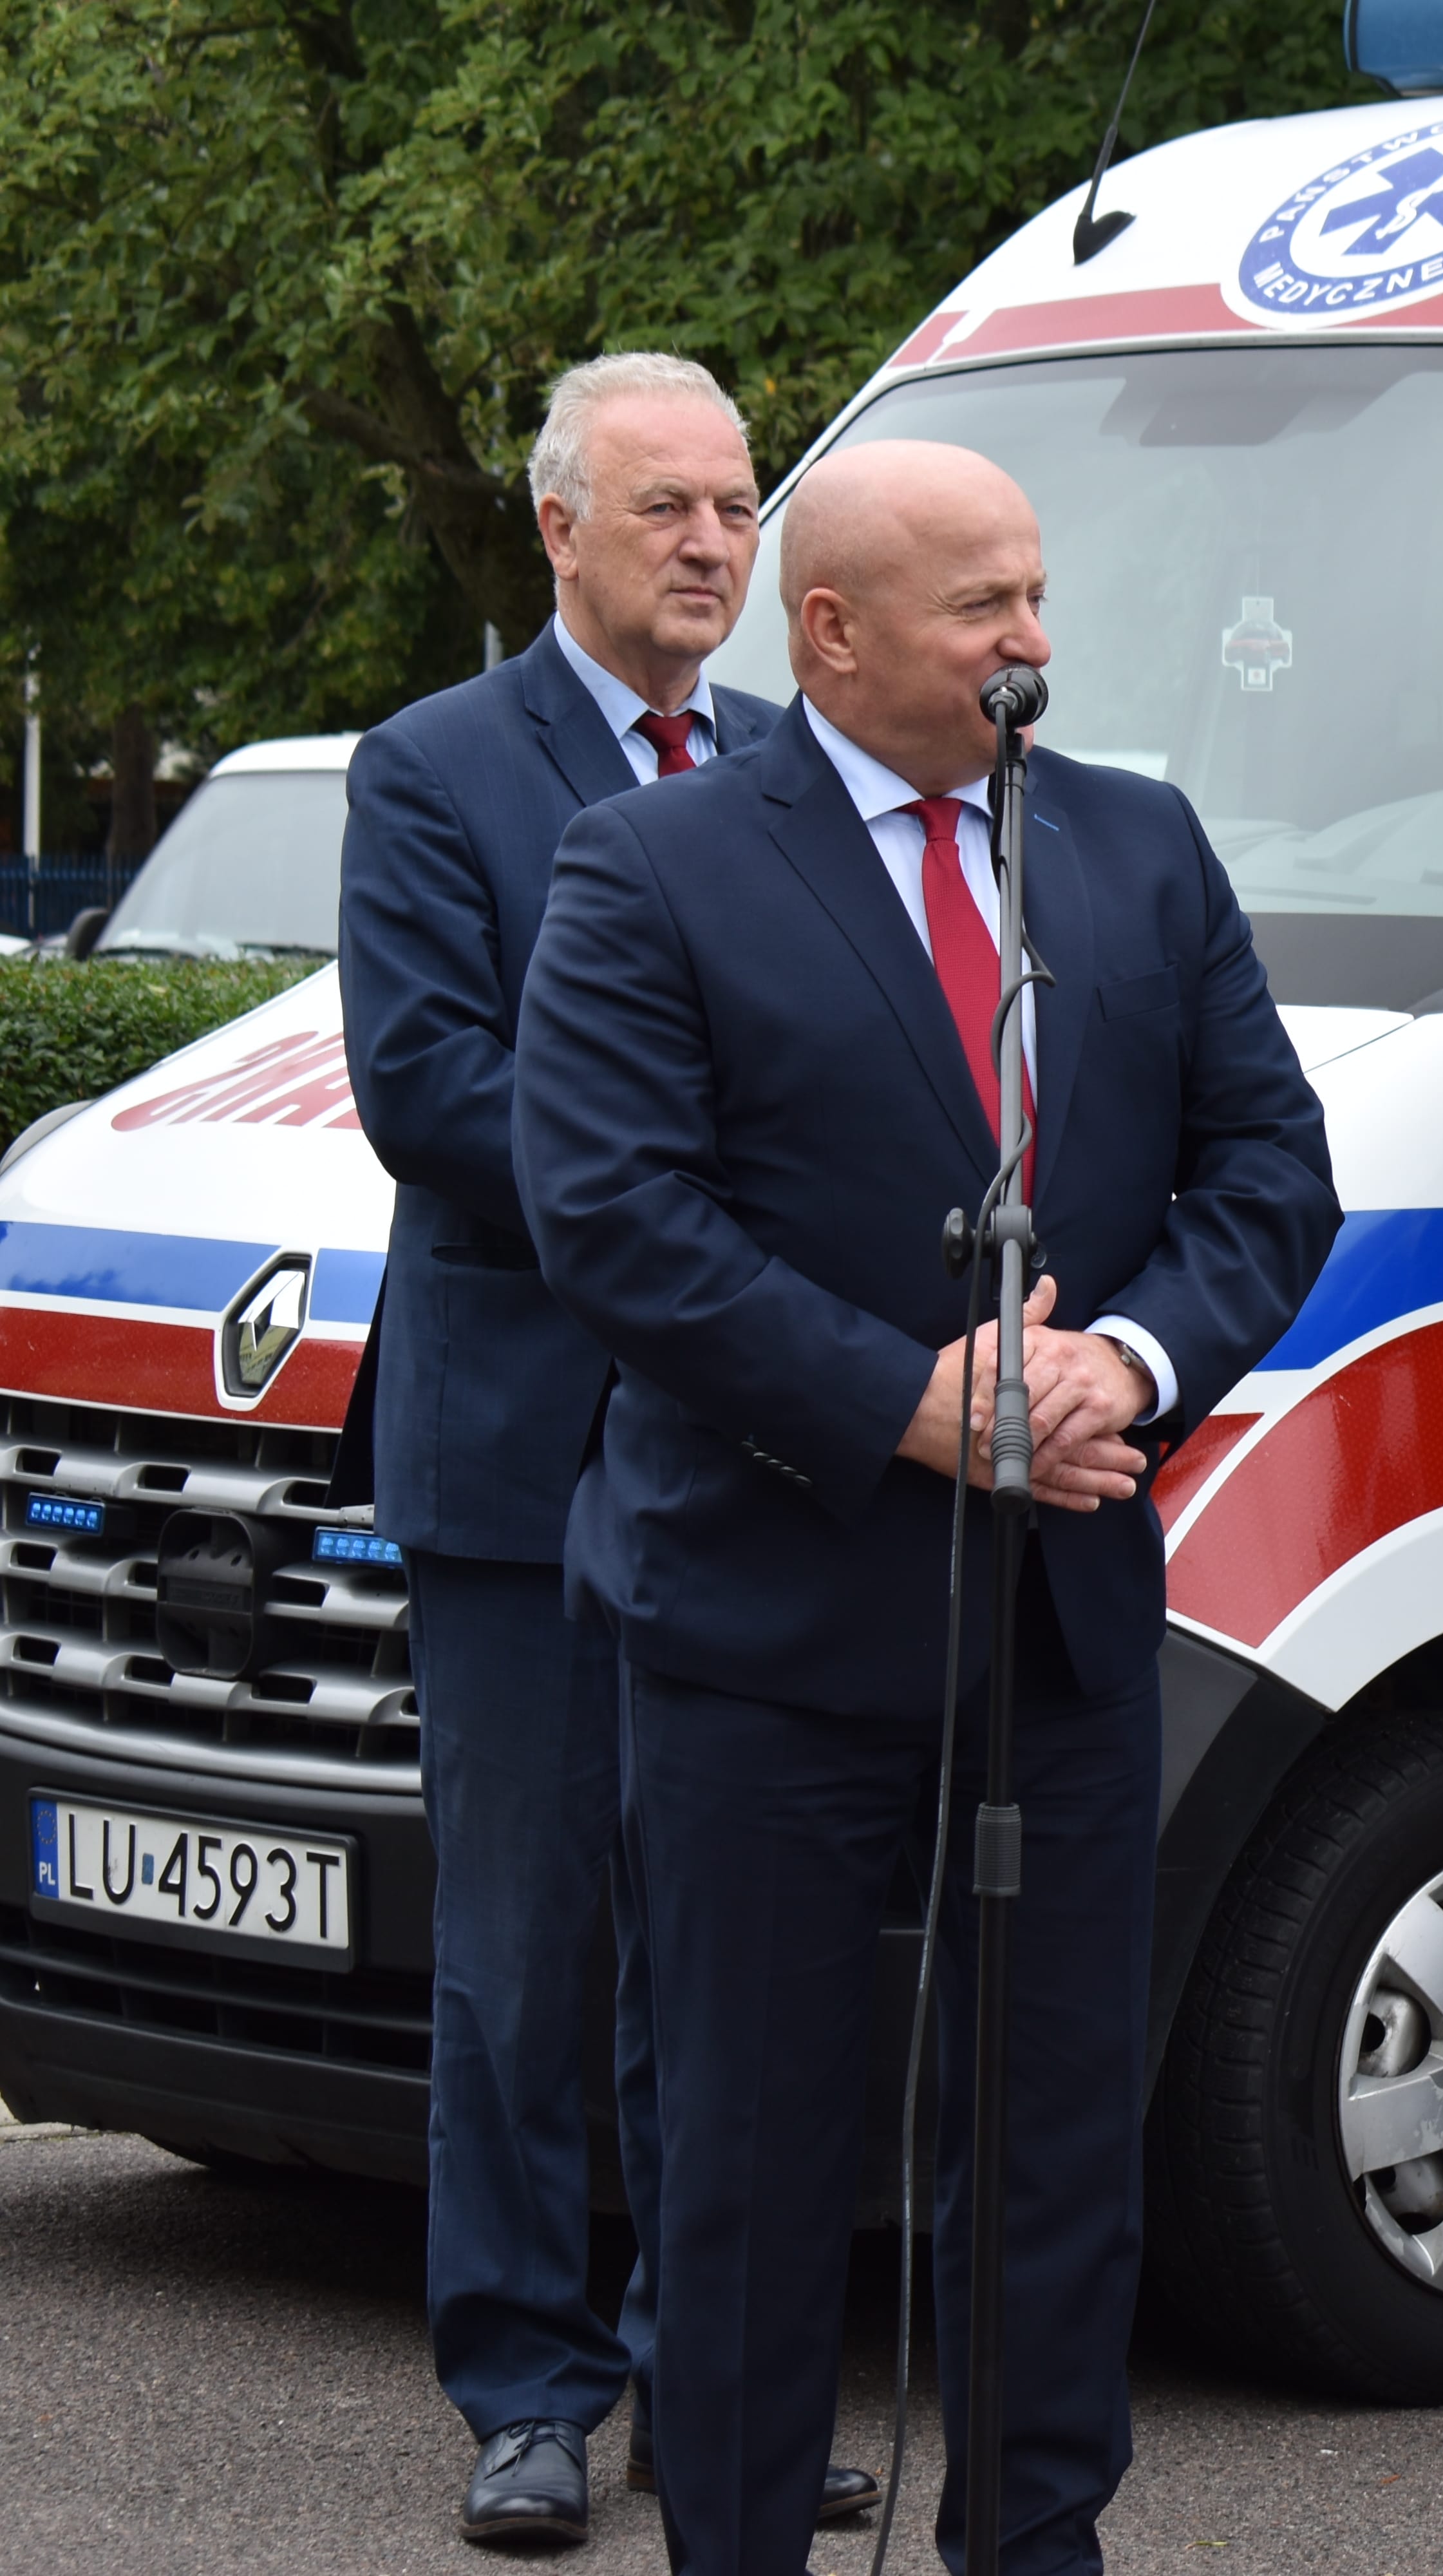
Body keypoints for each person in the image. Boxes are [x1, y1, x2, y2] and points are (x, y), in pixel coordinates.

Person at [511, 440, 1340, 2575]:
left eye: (1036, 594)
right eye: (983, 608)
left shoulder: (1136, 846)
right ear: (834, 635)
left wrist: (1122, 1362)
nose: (1031, 642)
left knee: (1056, 2156)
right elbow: (613, 1217)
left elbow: (1271, 1171)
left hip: (1058, 1627)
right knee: (753, 2163)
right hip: (762, 1634)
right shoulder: (655, 863)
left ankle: (1034, 2544)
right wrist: (911, 1405)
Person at [337, 351, 872, 2548]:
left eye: (738, 508)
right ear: (558, 526)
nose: (713, 546)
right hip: (521, 1456)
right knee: (528, 1955)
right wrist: (690, 1198)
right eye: (669, 508)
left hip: (744, 1453)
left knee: (720, 1952)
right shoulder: (435, 769)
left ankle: (712, 2384)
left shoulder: (793, 770)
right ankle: (530, 2387)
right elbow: (427, 1090)